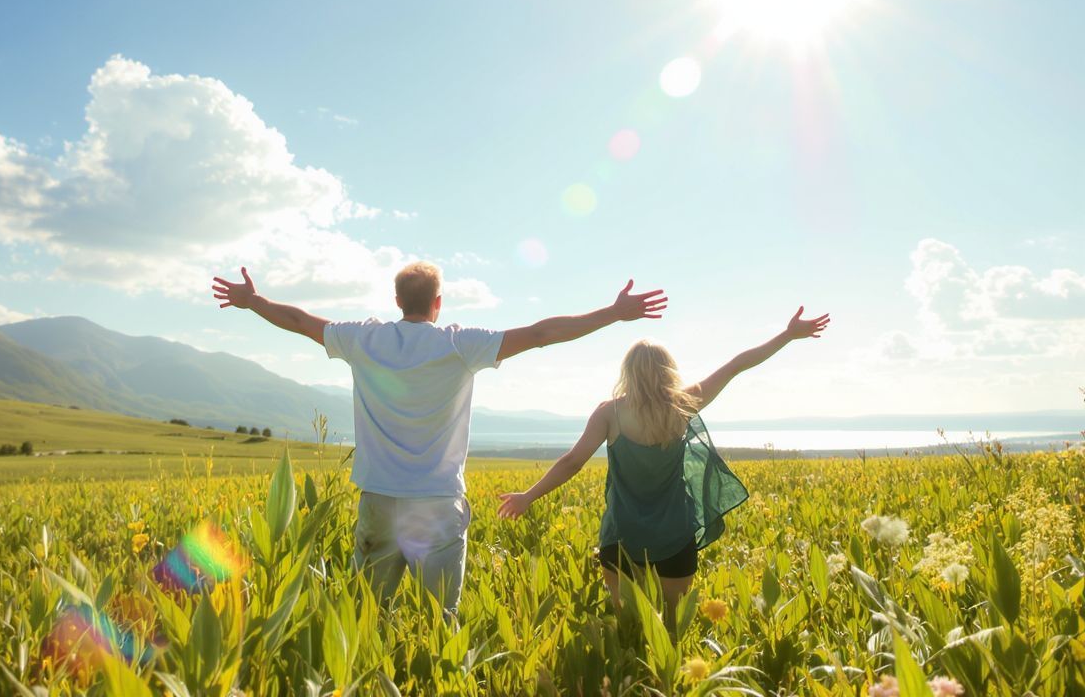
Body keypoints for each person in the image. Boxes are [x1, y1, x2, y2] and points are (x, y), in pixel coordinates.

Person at [212, 261, 666, 613]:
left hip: (378, 502)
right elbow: (542, 333)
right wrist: (613, 313)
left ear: (396, 300)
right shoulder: (458, 344)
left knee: (368, 616)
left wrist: (254, 302)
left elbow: (298, 320)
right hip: (437, 504)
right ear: (438, 303)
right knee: (439, 621)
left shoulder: (363, 340)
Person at [497, 307, 830, 613]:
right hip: (675, 537)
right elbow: (736, 365)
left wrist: (528, 496)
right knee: (671, 628)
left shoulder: (609, 413)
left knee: (626, 629)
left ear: (627, 371)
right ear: (668, 369)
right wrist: (787, 335)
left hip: (621, 539)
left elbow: (572, 462)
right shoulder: (683, 404)